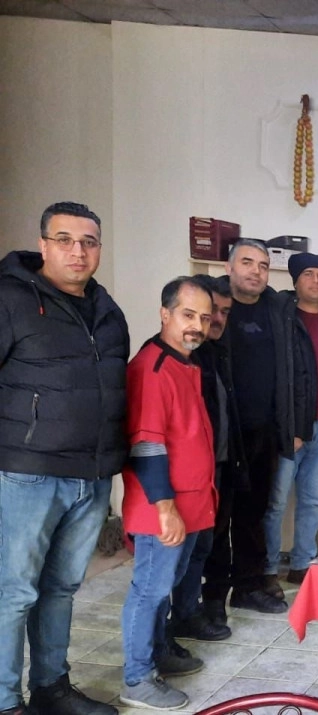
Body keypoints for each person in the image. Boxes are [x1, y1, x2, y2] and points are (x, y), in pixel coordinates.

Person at [0, 202, 129, 715]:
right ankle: (5, 701)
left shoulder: (106, 309)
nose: (78, 251)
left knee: (61, 589)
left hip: (91, 476)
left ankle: (51, 688)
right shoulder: (11, 298)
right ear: (44, 245)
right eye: (65, 239)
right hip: (28, 473)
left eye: (89, 241)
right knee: (15, 592)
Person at [119, 277, 218, 711]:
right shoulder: (152, 368)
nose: (197, 326)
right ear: (165, 314)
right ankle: (137, 678)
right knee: (150, 590)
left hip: (192, 501)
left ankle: (159, 651)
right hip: (164, 506)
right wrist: (165, 508)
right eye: (187, 315)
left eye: (204, 318)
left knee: (167, 586)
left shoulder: (186, 363)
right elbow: (147, 444)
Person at [263, 254, 318, 588]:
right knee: (276, 503)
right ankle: (268, 569)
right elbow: (278, 378)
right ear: (295, 281)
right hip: (290, 430)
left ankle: (301, 564)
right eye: (308, 274)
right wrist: (291, 428)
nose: (316, 280)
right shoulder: (282, 318)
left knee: (313, 501)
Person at [221, 239, 292, 614]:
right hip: (221, 433)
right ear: (229, 267)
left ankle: (247, 587)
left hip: (263, 432)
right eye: (247, 262)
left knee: (254, 513)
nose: (256, 271)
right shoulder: (213, 304)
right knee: (218, 517)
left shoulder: (275, 309)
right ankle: (211, 597)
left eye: (263, 265)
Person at [170, 274, 238, 642]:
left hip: (218, 466)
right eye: (211, 312)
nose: (215, 321)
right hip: (186, 475)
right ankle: (165, 632)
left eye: (223, 313)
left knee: (205, 547)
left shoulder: (217, 353)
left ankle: (190, 614)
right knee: (178, 557)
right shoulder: (176, 358)